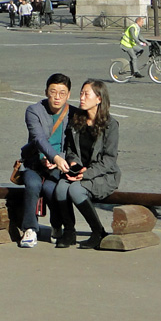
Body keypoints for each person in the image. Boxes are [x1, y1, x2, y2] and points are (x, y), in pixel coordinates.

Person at [54, 79, 120, 249]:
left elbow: (109, 159)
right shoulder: (77, 121)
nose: (82, 98)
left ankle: (98, 232)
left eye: (86, 94)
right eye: (81, 93)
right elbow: (70, 150)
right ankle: (69, 232)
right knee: (61, 188)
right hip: (79, 171)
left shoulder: (110, 125)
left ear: (99, 99)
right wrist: (73, 163)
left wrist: (87, 173)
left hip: (103, 175)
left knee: (75, 190)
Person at [17, 74, 73, 248]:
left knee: (51, 188)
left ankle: (56, 225)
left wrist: (59, 159)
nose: (57, 97)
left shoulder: (72, 114)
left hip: (59, 165)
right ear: (46, 92)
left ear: (68, 95)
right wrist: (49, 157)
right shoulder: (34, 111)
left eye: (62, 93)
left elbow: (73, 145)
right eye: (53, 92)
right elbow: (38, 138)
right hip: (35, 163)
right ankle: (30, 229)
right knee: (33, 185)